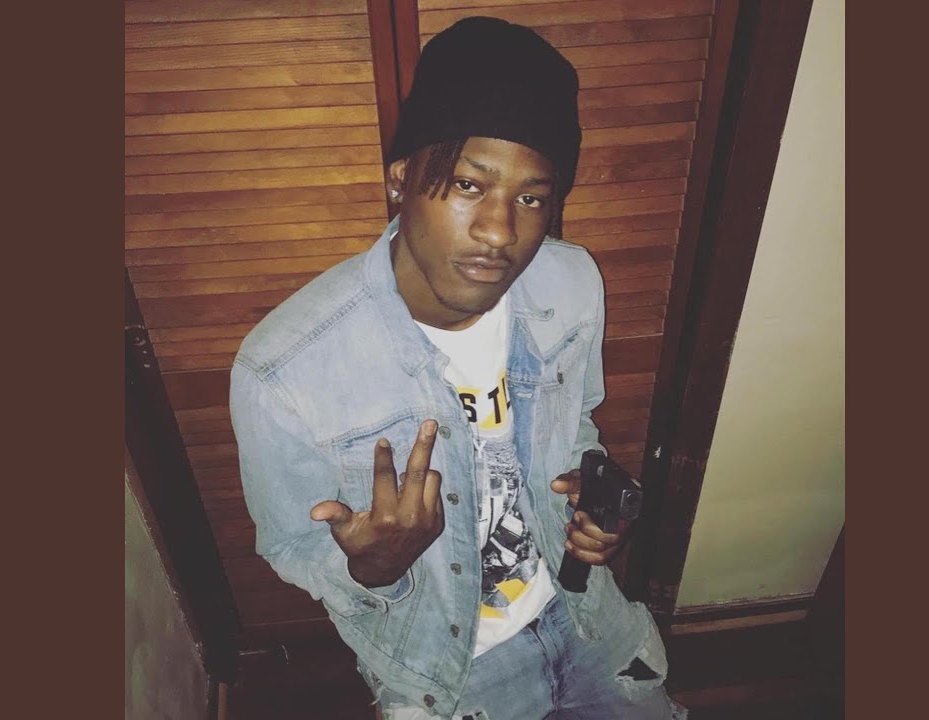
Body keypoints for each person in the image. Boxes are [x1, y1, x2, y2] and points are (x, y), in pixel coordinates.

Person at [230, 16, 685, 720]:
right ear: (402, 179)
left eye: (531, 198)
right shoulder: (283, 370)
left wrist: (591, 503)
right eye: (470, 185)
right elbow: (292, 543)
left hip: (586, 617)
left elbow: (578, 426)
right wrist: (371, 568)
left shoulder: (570, 284)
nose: (500, 231)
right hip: (446, 673)